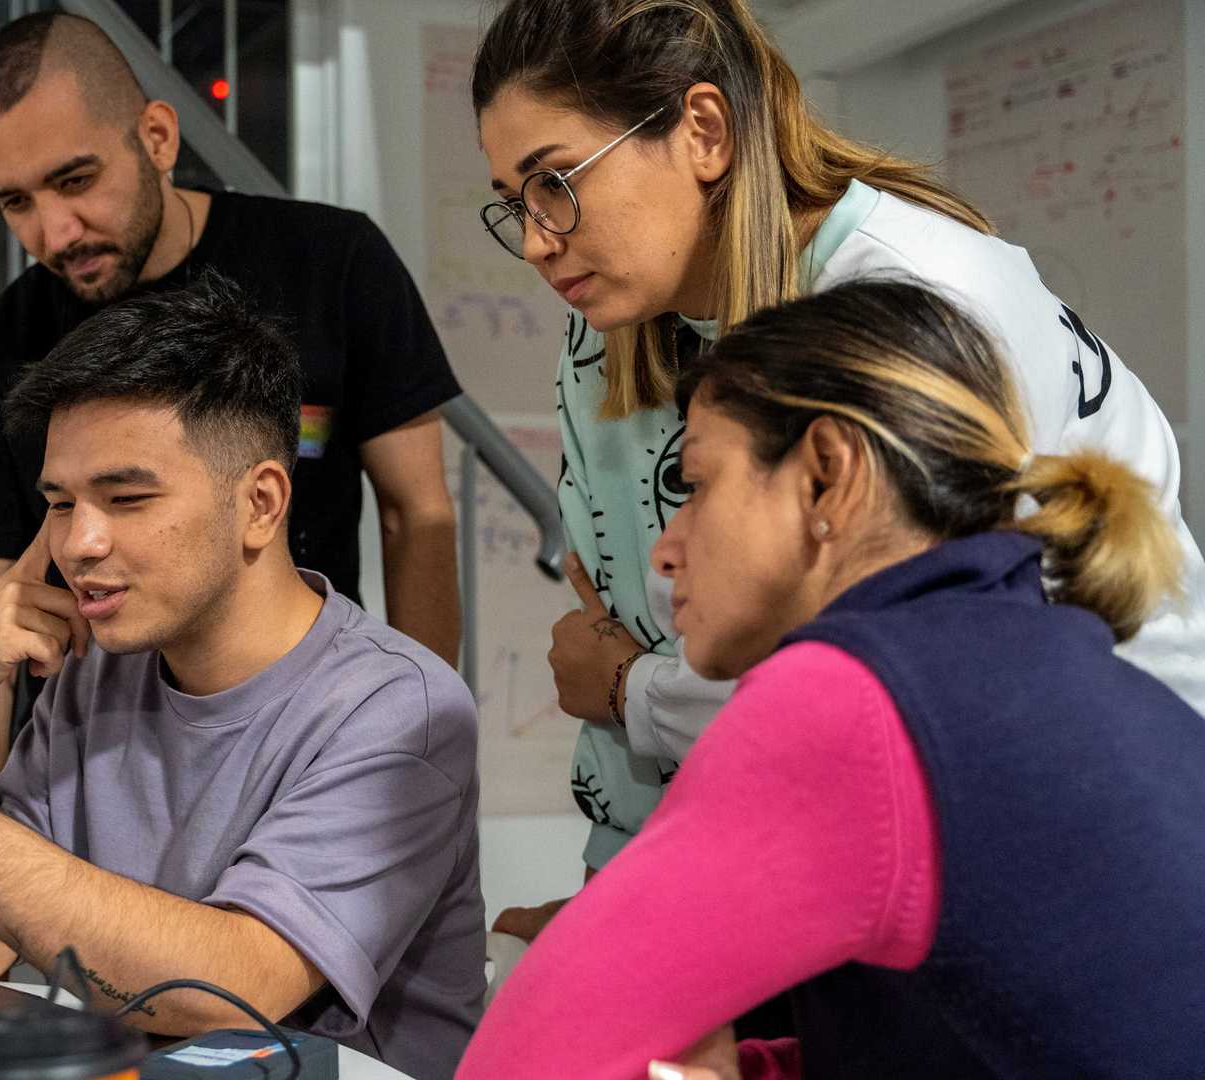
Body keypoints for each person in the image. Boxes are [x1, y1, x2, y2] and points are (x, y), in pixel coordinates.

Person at [468, 0, 1205, 917]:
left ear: (703, 130)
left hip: (1077, 831)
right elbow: (645, 633)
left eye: (556, 182)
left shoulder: (910, 305)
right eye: (513, 204)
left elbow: (901, 692)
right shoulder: (612, 328)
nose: (538, 240)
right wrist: (615, 907)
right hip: (808, 843)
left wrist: (633, 693)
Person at [0, 277, 487, 1080]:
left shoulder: (401, 709)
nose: (79, 542)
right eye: (59, 503)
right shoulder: (102, 676)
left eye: (125, 498)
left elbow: (235, 986)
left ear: (261, 502)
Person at [456, 280, 1205, 1079]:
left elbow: (522, 1061)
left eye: (696, 484)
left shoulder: (852, 699)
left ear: (824, 474)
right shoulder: (1087, 684)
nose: (666, 549)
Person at [0, 11, 464, 777]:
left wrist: (424, 750)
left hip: (306, 735)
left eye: (76, 180)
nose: (56, 231)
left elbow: (419, 516)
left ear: (159, 139)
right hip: (90, 766)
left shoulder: (332, 263)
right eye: (16, 203)